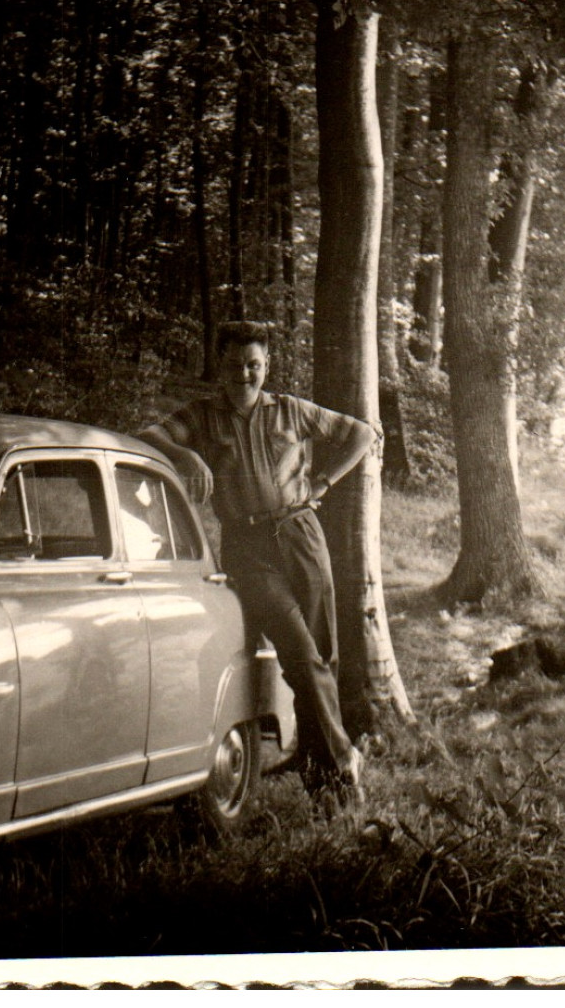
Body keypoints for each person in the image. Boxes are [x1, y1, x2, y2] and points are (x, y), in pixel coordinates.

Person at [141, 321, 377, 805]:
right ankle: (345, 763)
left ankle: (316, 771)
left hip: (300, 534)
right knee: (299, 653)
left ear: (266, 366)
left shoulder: (289, 410)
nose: (244, 374)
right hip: (247, 548)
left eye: (253, 364)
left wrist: (325, 483)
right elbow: (148, 434)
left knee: (322, 655)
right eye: (233, 364)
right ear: (219, 366)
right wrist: (185, 456)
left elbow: (359, 433)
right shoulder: (203, 416)